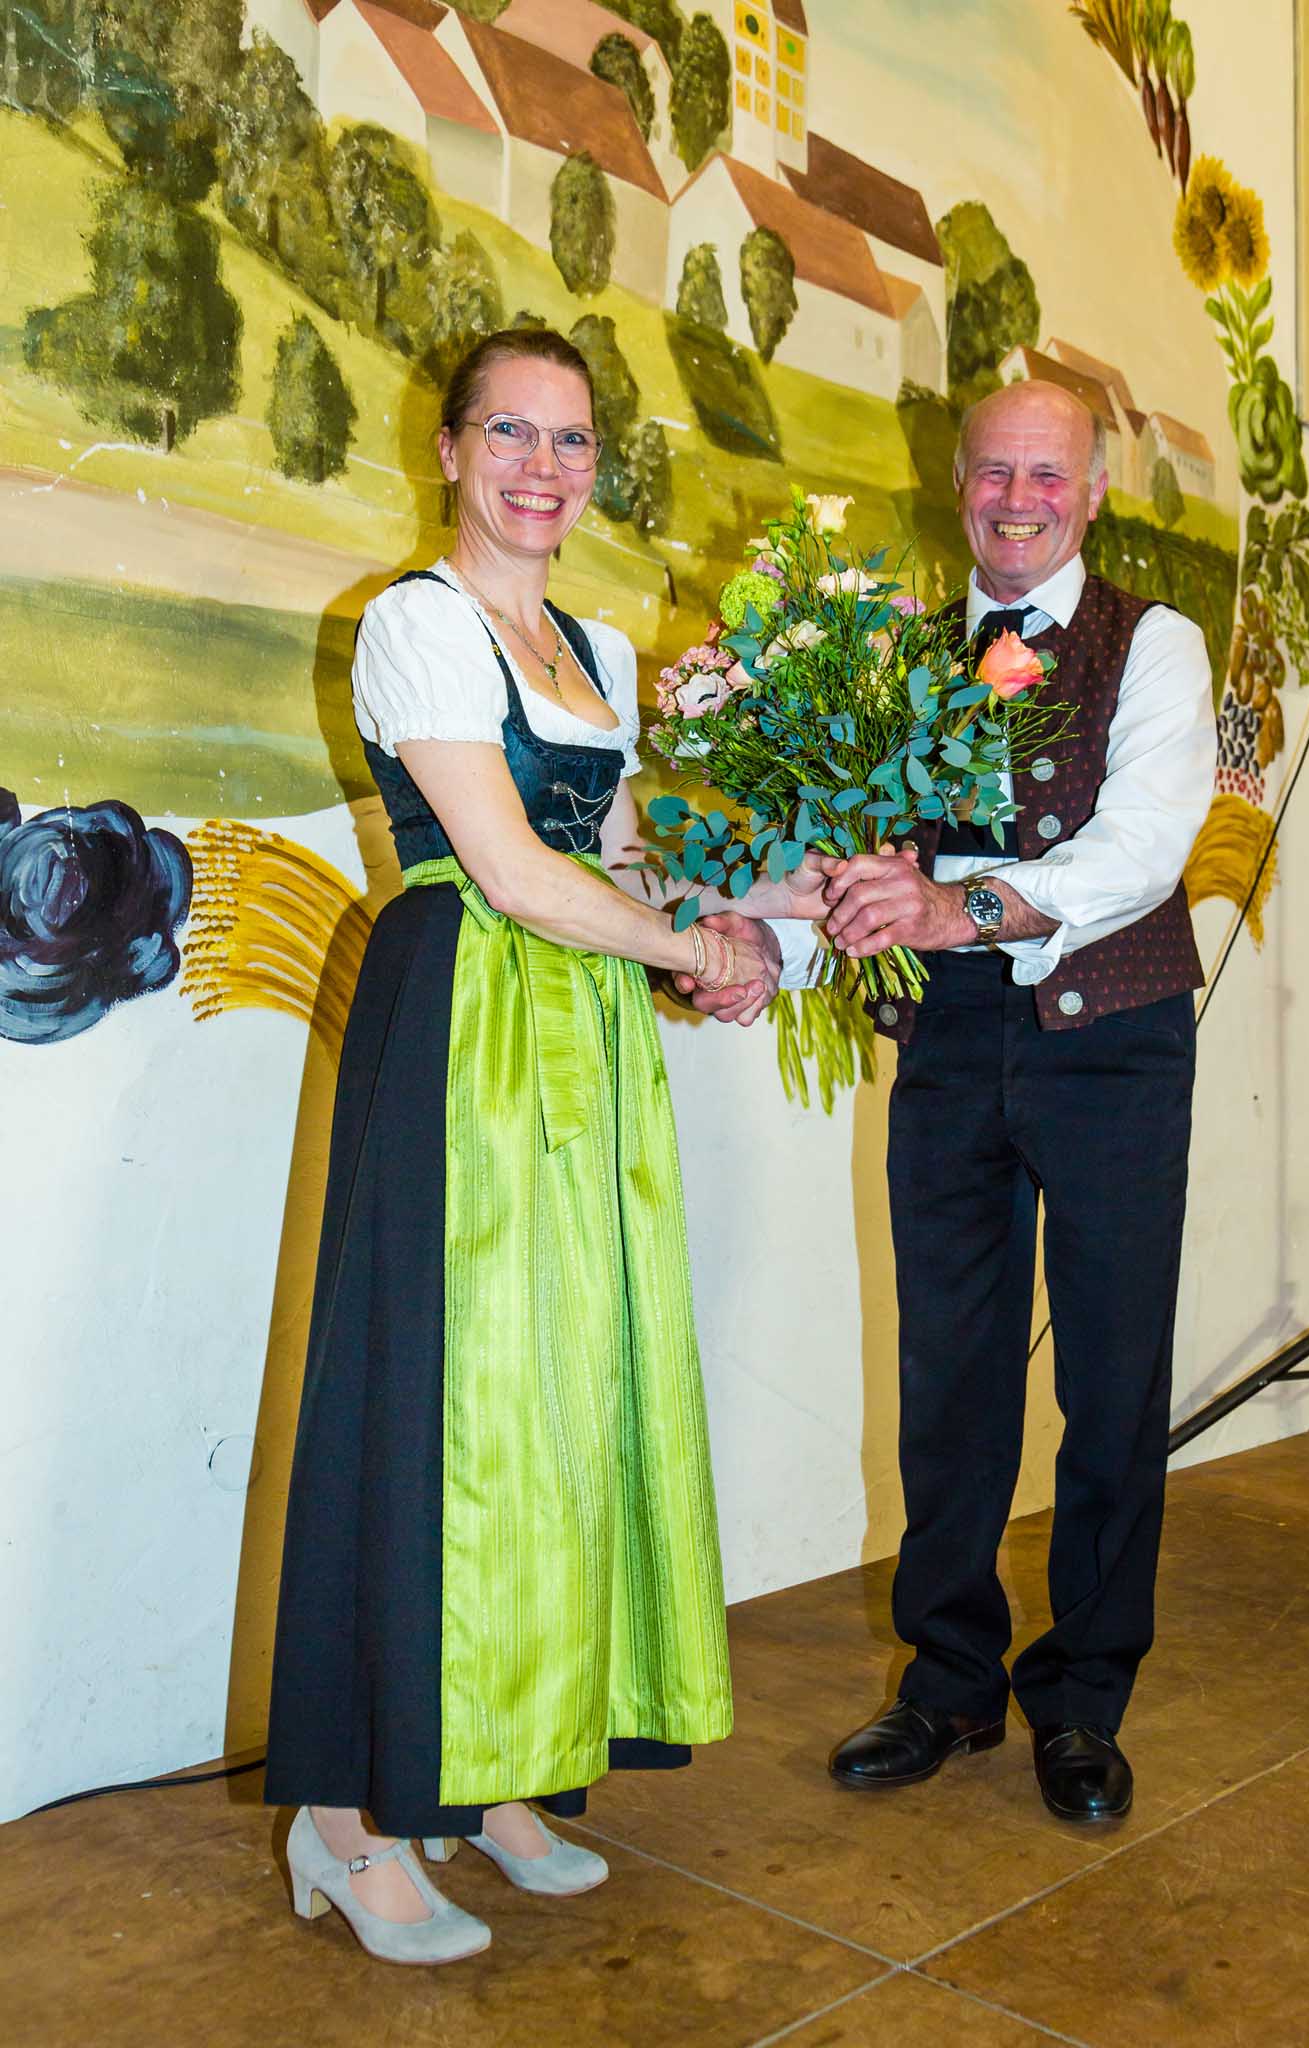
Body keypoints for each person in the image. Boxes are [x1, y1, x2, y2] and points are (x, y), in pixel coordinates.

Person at [263, 328, 815, 1963]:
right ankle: (347, 1818)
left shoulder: (594, 646)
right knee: (440, 1399)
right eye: (509, 432)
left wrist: (756, 911)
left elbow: (618, 853)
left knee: (566, 1394)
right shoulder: (415, 625)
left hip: (579, 1030)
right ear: (448, 449)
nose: (542, 468)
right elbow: (507, 868)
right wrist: (680, 947)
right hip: (466, 1028)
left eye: (570, 441)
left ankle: (503, 1764)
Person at [703, 379, 1216, 1824]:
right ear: (957, 483)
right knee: (952, 1375)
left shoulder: (1153, 644)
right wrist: (763, 951)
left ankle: (1084, 1698)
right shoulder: (898, 657)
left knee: (1110, 1376)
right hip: (946, 1044)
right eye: (995, 472)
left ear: (1093, 491)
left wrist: (960, 907)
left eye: (1047, 475)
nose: (1018, 499)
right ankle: (947, 1682)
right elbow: (859, 869)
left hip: (1113, 1042)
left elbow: (1141, 849)